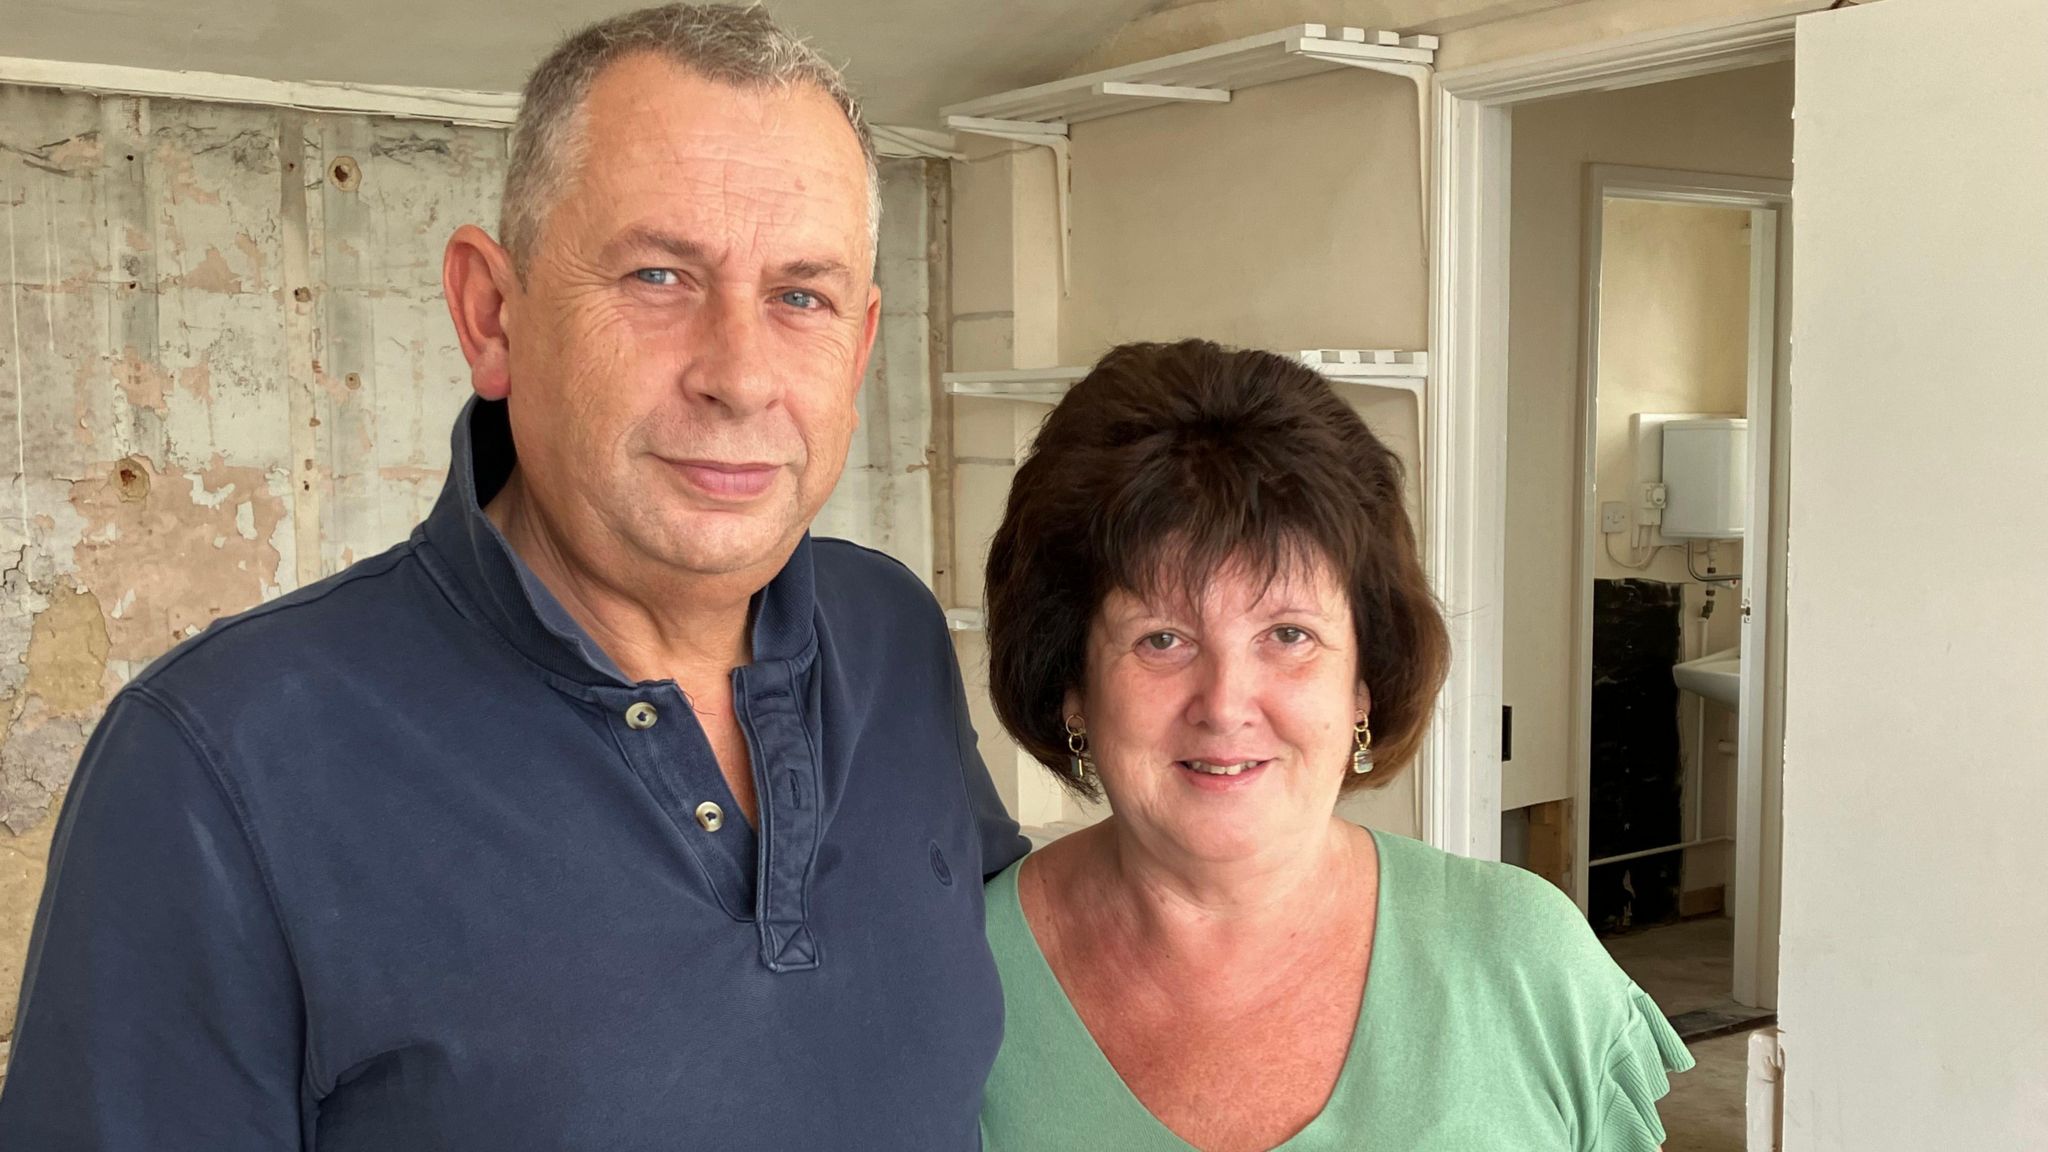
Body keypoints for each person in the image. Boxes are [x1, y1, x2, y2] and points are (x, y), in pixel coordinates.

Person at [0, 6, 1024, 1148]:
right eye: (657, 273)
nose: (740, 376)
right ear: (492, 315)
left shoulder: (886, 632)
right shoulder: (218, 762)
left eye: (800, 297)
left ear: (860, 348)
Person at [976, 339, 1691, 1151]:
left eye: (1288, 633)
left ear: (1364, 682)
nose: (1226, 704)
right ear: (1072, 684)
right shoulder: (955, 977)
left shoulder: (1528, 963)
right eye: (1162, 639)